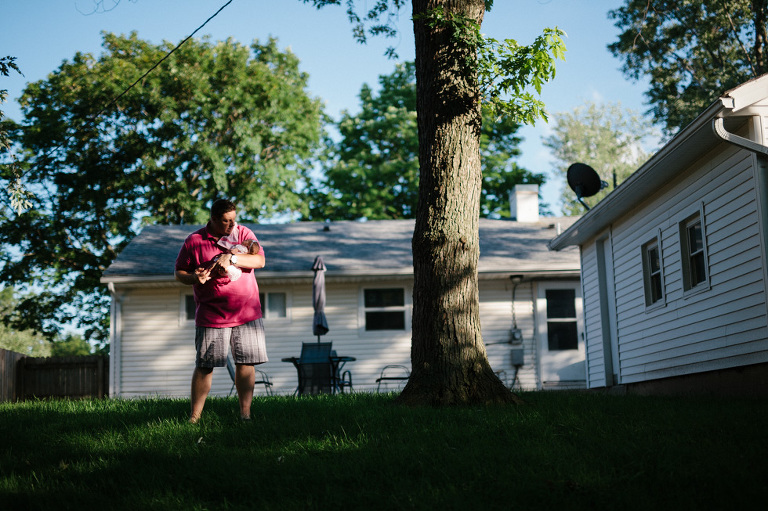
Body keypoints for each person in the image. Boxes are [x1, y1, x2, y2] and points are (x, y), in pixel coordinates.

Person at [174, 199, 267, 422]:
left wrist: (232, 257)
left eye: (234, 219)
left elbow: (260, 260)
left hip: (247, 313)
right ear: (213, 219)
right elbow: (179, 272)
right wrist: (195, 277)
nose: (231, 225)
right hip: (211, 314)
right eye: (226, 221)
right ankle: (194, 418)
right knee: (205, 366)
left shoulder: (244, 233)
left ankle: (245, 415)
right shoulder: (194, 241)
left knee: (246, 363)